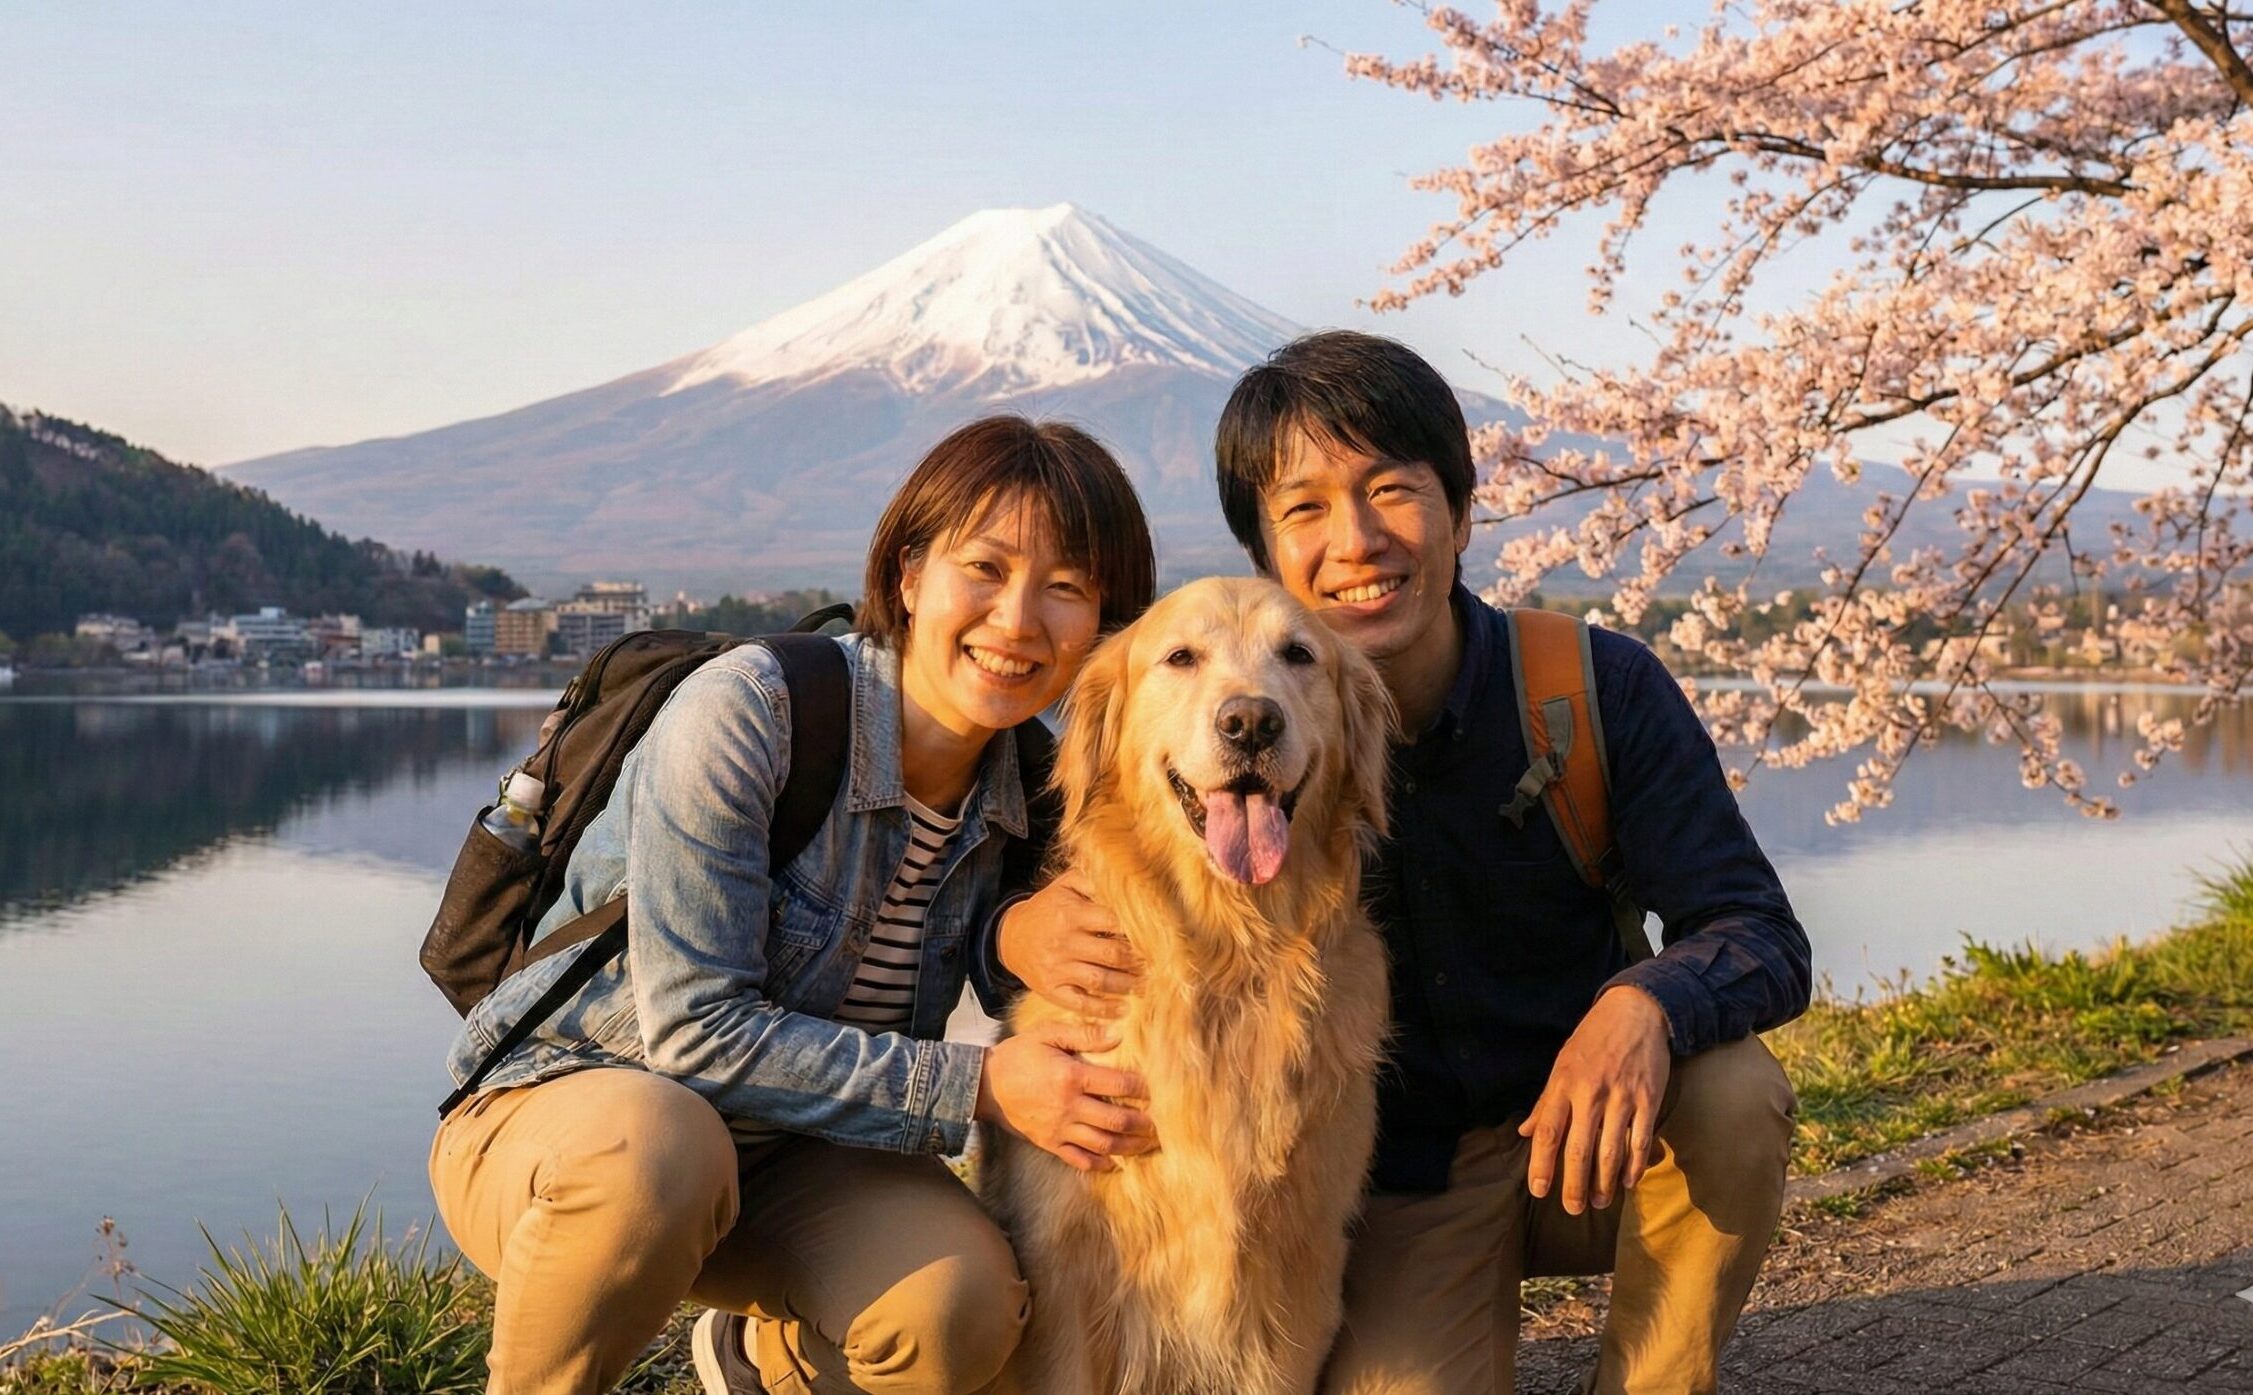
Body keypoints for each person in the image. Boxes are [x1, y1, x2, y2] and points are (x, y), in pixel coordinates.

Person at [994, 331, 1811, 1395]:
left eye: (1394, 491)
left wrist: (1644, 1004)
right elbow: (991, 879)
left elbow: (1761, 933)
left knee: (1733, 1093)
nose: (1360, 541)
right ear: (1267, 557)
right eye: (1306, 510)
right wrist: (1003, 931)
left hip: (1584, 1133)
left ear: (1463, 513)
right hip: (1411, 1186)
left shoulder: (1591, 689)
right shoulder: (1230, 748)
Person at [430, 416, 1159, 1395]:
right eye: (983, 569)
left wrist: (1010, 932)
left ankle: (758, 1362)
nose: (1019, 621)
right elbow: (695, 1034)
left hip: (798, 1164)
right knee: (659, 1152)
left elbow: (977, 936)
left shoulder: (1036, 786)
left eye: (1067, 588)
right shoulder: (751, 716)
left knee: (964, 1305)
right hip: (568, 1129)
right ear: (908, 573)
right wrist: (982, 1087)